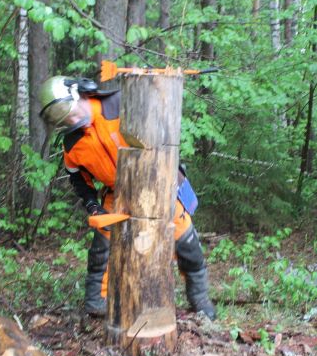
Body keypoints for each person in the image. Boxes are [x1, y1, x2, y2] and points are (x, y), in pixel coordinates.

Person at [38, 75, 216, 320]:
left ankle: (200, 300)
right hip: (117, 190)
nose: (70, 119)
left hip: (157, 182)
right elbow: (78, 177)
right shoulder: (73, 143)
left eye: (68, 110)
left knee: (185, 241)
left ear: (79, 93)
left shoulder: (119, 106)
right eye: (62, 116)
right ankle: (96, 300)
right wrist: (91, 203)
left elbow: (162, 132)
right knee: (102, 246)